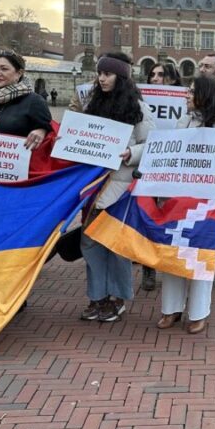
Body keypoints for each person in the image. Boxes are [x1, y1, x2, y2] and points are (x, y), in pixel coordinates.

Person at [156, 76, 215, 334]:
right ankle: (170, 308)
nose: (186, 95)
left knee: (200, 257)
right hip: (178, 200)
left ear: (206, 95)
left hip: (208, 206)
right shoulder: (183, 121)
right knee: (174, 253)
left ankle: (198, 313)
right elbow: (170, 156)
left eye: (192, 92)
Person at [73, 54, 154, 323]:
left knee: (116, 245)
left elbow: (151, 143)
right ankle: (97, 297)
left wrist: (131, 152)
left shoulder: (138, 108)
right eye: (100, 73)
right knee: (91, 242)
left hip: (120, 186)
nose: (102, 78)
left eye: (108, 74)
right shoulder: (93, 105)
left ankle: (117, 299)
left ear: (120, 77)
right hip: (94, 186)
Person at [139, 61, 184, 292]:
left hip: (173, 166)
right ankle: (148, 266)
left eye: (160, 75)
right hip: (147, 164)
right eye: (152, 75)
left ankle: (167, 261)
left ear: (173, 80)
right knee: (148, 215)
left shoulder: (185, 102)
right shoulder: (139, 101)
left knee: (170, 216)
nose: (155, 79)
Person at [0, 51, 53, 149]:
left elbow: (51, 133)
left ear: (19, 73)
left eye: (4, 69)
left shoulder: (34, 101)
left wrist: (42, 131)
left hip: (18, 162)